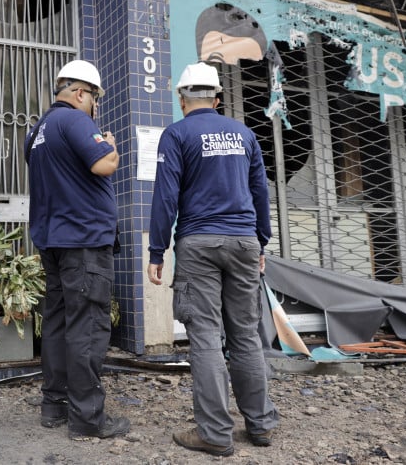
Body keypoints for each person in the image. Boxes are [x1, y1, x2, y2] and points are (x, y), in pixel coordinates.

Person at [147, 62, 279, 457]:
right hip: (243, 243)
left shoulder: (177, 134)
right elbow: (260, 192)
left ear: (182, 99)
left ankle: (216, 434)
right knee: (245, 333)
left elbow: (166, 196)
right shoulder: (245, 134)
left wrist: (157, 250)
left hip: (198, 243)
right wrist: (261, 243)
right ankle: (260, 425)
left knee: (205, 335)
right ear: (217, 99)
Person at [25, 59, 129, 440]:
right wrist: (112, 147)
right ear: (81, 92)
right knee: (86, 326)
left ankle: (54, 405)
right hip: (83, 241)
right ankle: (87, 419)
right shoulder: (75, 120)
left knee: (56, 324)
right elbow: (103, 164)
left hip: (53, 240)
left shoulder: (37, 130)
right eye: (94, 99)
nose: (95, 107)